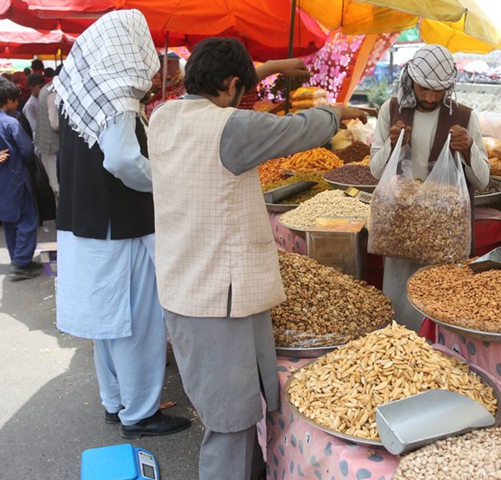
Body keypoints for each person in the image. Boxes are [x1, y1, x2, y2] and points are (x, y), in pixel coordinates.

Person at [147, 37, 367, 480]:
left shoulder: (164, 115)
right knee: (229, 421)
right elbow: (297, 131)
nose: (243, 98)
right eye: (241, 89)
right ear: (229, 85)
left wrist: (269, 67)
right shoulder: (230, 128)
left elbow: (224, 89)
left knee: (242, 405)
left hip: (189, 285)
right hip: (216, 298)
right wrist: (337, 113)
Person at [54, 10, 191, 439]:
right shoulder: (114, 97)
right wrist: (169, 184)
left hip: (90, 225)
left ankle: (116, 402)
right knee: (136, 324)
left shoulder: (84, 92)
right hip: (120, 227)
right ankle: (140, 412)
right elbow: (122, 160)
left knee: (107, 325)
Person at [369, 44, 490, 332]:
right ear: (411, 79)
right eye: (424, 89)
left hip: (444, 233)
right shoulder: (392, 109)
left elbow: (483, 179)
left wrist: (468, 149)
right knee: (398, 301)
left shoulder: (465, 117)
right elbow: (375, 170)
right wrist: (392, 142)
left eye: (439, 90)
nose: (430, 97)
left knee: (440, 304)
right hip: (400, 231)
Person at [0, 81, 40, 279]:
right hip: (18, 177)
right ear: (9, 101)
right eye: (16, 100)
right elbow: (27, 150)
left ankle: (18, 259)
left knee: (10, 223)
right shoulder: (11, 123)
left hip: (1, 178)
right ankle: (21, 263)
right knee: (27, 220)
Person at [34, 68, 60, 201]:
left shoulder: (46, 88)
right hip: (53, 144)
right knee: (57, 184)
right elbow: (55, 123)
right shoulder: (54, 92)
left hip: (46, 142)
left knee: (54, 183)